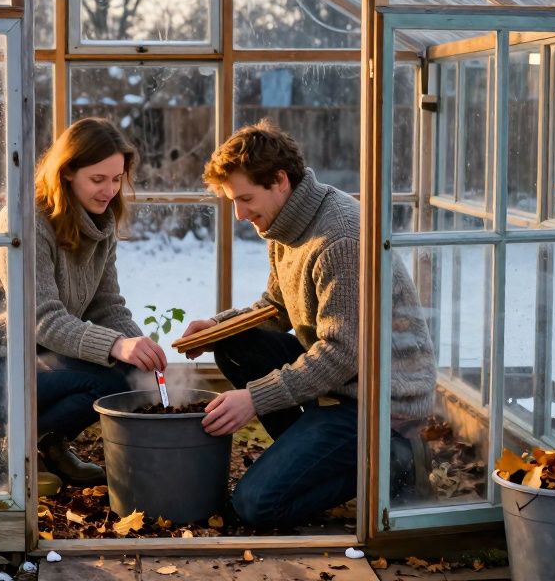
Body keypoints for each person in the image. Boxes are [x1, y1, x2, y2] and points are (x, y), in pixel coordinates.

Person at [182, 119, 436, 527]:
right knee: (235, 345)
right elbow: (276, 306)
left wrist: (253, 398)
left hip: (378, 403)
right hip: (341, 386)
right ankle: (311, 453)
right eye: (233, 201)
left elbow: (341, 354)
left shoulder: (340, 238)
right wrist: (217, 326)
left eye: (245, 198)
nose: (240, 214)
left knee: (255, 507)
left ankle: (394, 460)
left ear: (279, 180)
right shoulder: (286, 224)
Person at [0, 117, 166, 488]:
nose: (109, 190)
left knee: (131, 377)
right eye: (98, 180)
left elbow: (107, 305)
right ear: (66, 173)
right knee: (108, 385)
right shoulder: (27, 220)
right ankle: (18, 446)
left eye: (116, 179)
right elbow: (42, 319)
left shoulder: (101, 222)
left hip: (40, 357)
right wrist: (117, 345)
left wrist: (143, 351)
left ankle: (47, 443)